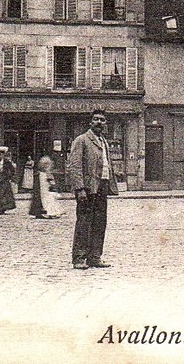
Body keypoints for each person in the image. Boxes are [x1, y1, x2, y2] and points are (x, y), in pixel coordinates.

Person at [66, 109, 117, 269]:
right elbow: (74, 166)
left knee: (100, 223)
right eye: (96, 119)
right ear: (90, 122)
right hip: (87, 188)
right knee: (84, 223)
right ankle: (79, 258)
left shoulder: (104, 142)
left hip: (102, 186)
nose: (99, 123)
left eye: (102, 120)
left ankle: (95, 256)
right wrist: (79, 188)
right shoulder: (81, 140)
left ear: (106, 123)